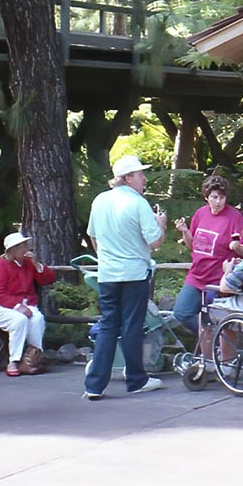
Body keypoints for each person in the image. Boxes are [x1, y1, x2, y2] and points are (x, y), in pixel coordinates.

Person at [83, 155, 167, 400]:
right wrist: (160, 223)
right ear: (128, 178)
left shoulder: (100, 200)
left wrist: (108, 258)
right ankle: (136, 379)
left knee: (109, 325)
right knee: (132, 325)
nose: (145, 178)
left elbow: (93, 237)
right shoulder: (138, 203)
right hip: (134, 273)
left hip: (108, 273)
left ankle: (95, 385)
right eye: (141, 174)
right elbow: (155, 241)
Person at [172, 174, 243, 334]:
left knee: (211, 317)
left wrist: (236, 247)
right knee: (181, 312)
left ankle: (216, 347)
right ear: (206, 197)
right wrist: (185, 232)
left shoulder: (234, 217)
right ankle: (210, 338)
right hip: (196, 275)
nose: (218, 201)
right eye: (214, 197)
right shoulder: (200, 214)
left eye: (222, 197)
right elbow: (192, 245)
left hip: (218, 279)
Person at [0, 231, 56, 377]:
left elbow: (48, 279)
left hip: (25, 305)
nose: (26, 249)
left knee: (37, 318)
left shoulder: (28, 263)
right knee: (19, 320)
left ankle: (33, 359)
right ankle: (14, 361)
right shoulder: (1, 266)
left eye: (26, 245)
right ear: (12, 250)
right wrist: (17, 306)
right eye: (22, 246)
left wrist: (37, 264)